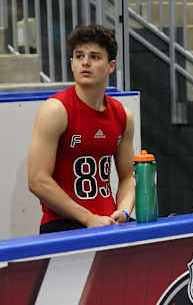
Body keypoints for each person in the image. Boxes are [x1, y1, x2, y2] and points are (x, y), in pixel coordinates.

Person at [28, 24, 135, 233]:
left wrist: (123, 212)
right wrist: (88, 218)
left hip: (107, 222)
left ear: (111, 65)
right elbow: (37, 180)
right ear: (71, 63)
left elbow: (127, 177)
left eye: (95, 57)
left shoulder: (123, 115)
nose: (85, 63)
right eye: (79, 56)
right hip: (63, 224)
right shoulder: (56, 110)